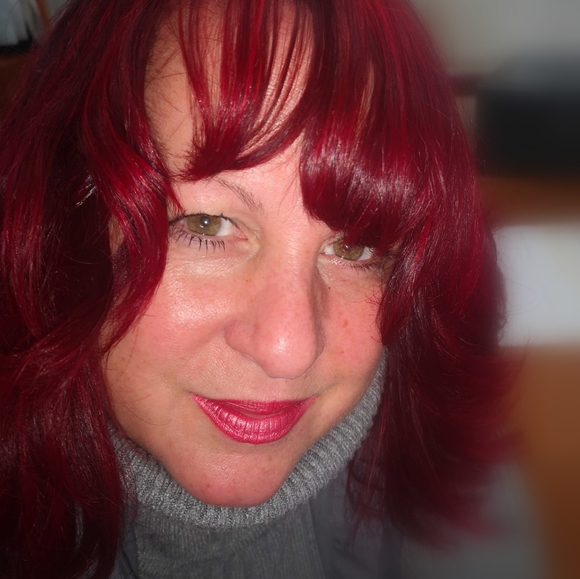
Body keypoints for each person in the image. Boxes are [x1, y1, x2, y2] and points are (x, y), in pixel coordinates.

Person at [0, 0, 508, 577]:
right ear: (65, 221)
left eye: (354, 247)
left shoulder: (464, 487)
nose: (289, 350)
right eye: (207, 224)